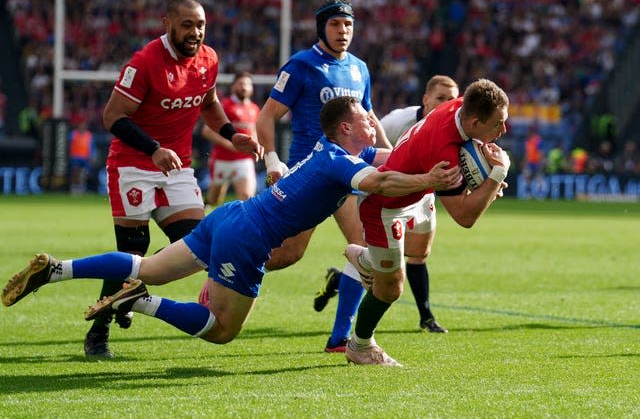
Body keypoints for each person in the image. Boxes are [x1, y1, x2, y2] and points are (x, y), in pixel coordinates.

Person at [2, 97, 461, 353]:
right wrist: (428, 180)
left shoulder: (338, 152)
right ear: (345, 127)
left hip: (230, 217)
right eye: (365, 115)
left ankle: (56, 269)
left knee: (147, 265)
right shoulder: (341, 161)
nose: (372, 120)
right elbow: (382, 179)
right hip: (248, 238)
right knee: (221, 330)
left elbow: (392, 158)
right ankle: (141, 304)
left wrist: (440, 157)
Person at [85, 0, 262, 359]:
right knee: (131, 251)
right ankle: (98, 330)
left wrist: (232, 135)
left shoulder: (208, 59)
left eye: (200, 25)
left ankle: (130, 291)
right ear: (167, 23)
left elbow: (209, 103)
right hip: (134, 164)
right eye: (187, 25)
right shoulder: (145, 61)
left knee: (198, 244)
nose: (195, 32)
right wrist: (152, 148)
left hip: (176, 166)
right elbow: (112, 117)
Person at [344, 78, 511, 366]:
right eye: (498, 123)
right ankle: (359, 345)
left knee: (420, 250)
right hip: (386, 205)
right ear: (473, 122)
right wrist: (496, 176)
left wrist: (485, 184)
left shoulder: (459, 106)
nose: (503, 130)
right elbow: (464, 217)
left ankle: (369, 261)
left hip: (420, 190)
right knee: (392, 287)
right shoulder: (443, 153)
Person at [244, 0, 391, 313]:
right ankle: (228, 267)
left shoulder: (359, 68)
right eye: (335, 24)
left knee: (366, 249)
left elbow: (369, 115)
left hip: (350, 171)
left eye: (348, 24)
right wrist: (272, 159)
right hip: (309, 173)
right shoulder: (301, 65)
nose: (343, 31)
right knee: (288, 254)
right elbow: (266, 116)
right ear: (321, 28)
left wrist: (391, 151)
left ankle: (342, 340)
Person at [318, 75, 460, 353]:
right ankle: (343, 337)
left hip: (400, 187)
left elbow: (389, 158)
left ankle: (346, 296)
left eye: (452, 99)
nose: (447, 104)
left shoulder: (449, 128)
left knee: (413, 253)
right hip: (368, 185)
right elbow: (369, 155)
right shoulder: (399, 121)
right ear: (426, 99)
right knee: (377, 257)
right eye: (441, 98)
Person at [201, 71, 261, 205]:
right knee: (214, 200)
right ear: (233, 86)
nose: (244, 87)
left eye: (247, 84)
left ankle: (242, 225)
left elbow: (253, 131)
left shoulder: (254, 108)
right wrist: (229, 144)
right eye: (240, 84)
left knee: (247, 197)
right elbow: (207, 131)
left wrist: (255, 146)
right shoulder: (224, 105)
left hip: (244, 160)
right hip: (222, 159)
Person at [68, 119, 95, 194]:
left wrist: (91, 156)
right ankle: (74, 188)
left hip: (85, 157)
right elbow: (68, 145)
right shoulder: (72, 134)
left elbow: (92, 147)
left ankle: (81, 188)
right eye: (81, 125)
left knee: (83, 174)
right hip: (75, 156)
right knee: (75, 172)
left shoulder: (89, 135)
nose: (82, 126)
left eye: (84, 125)